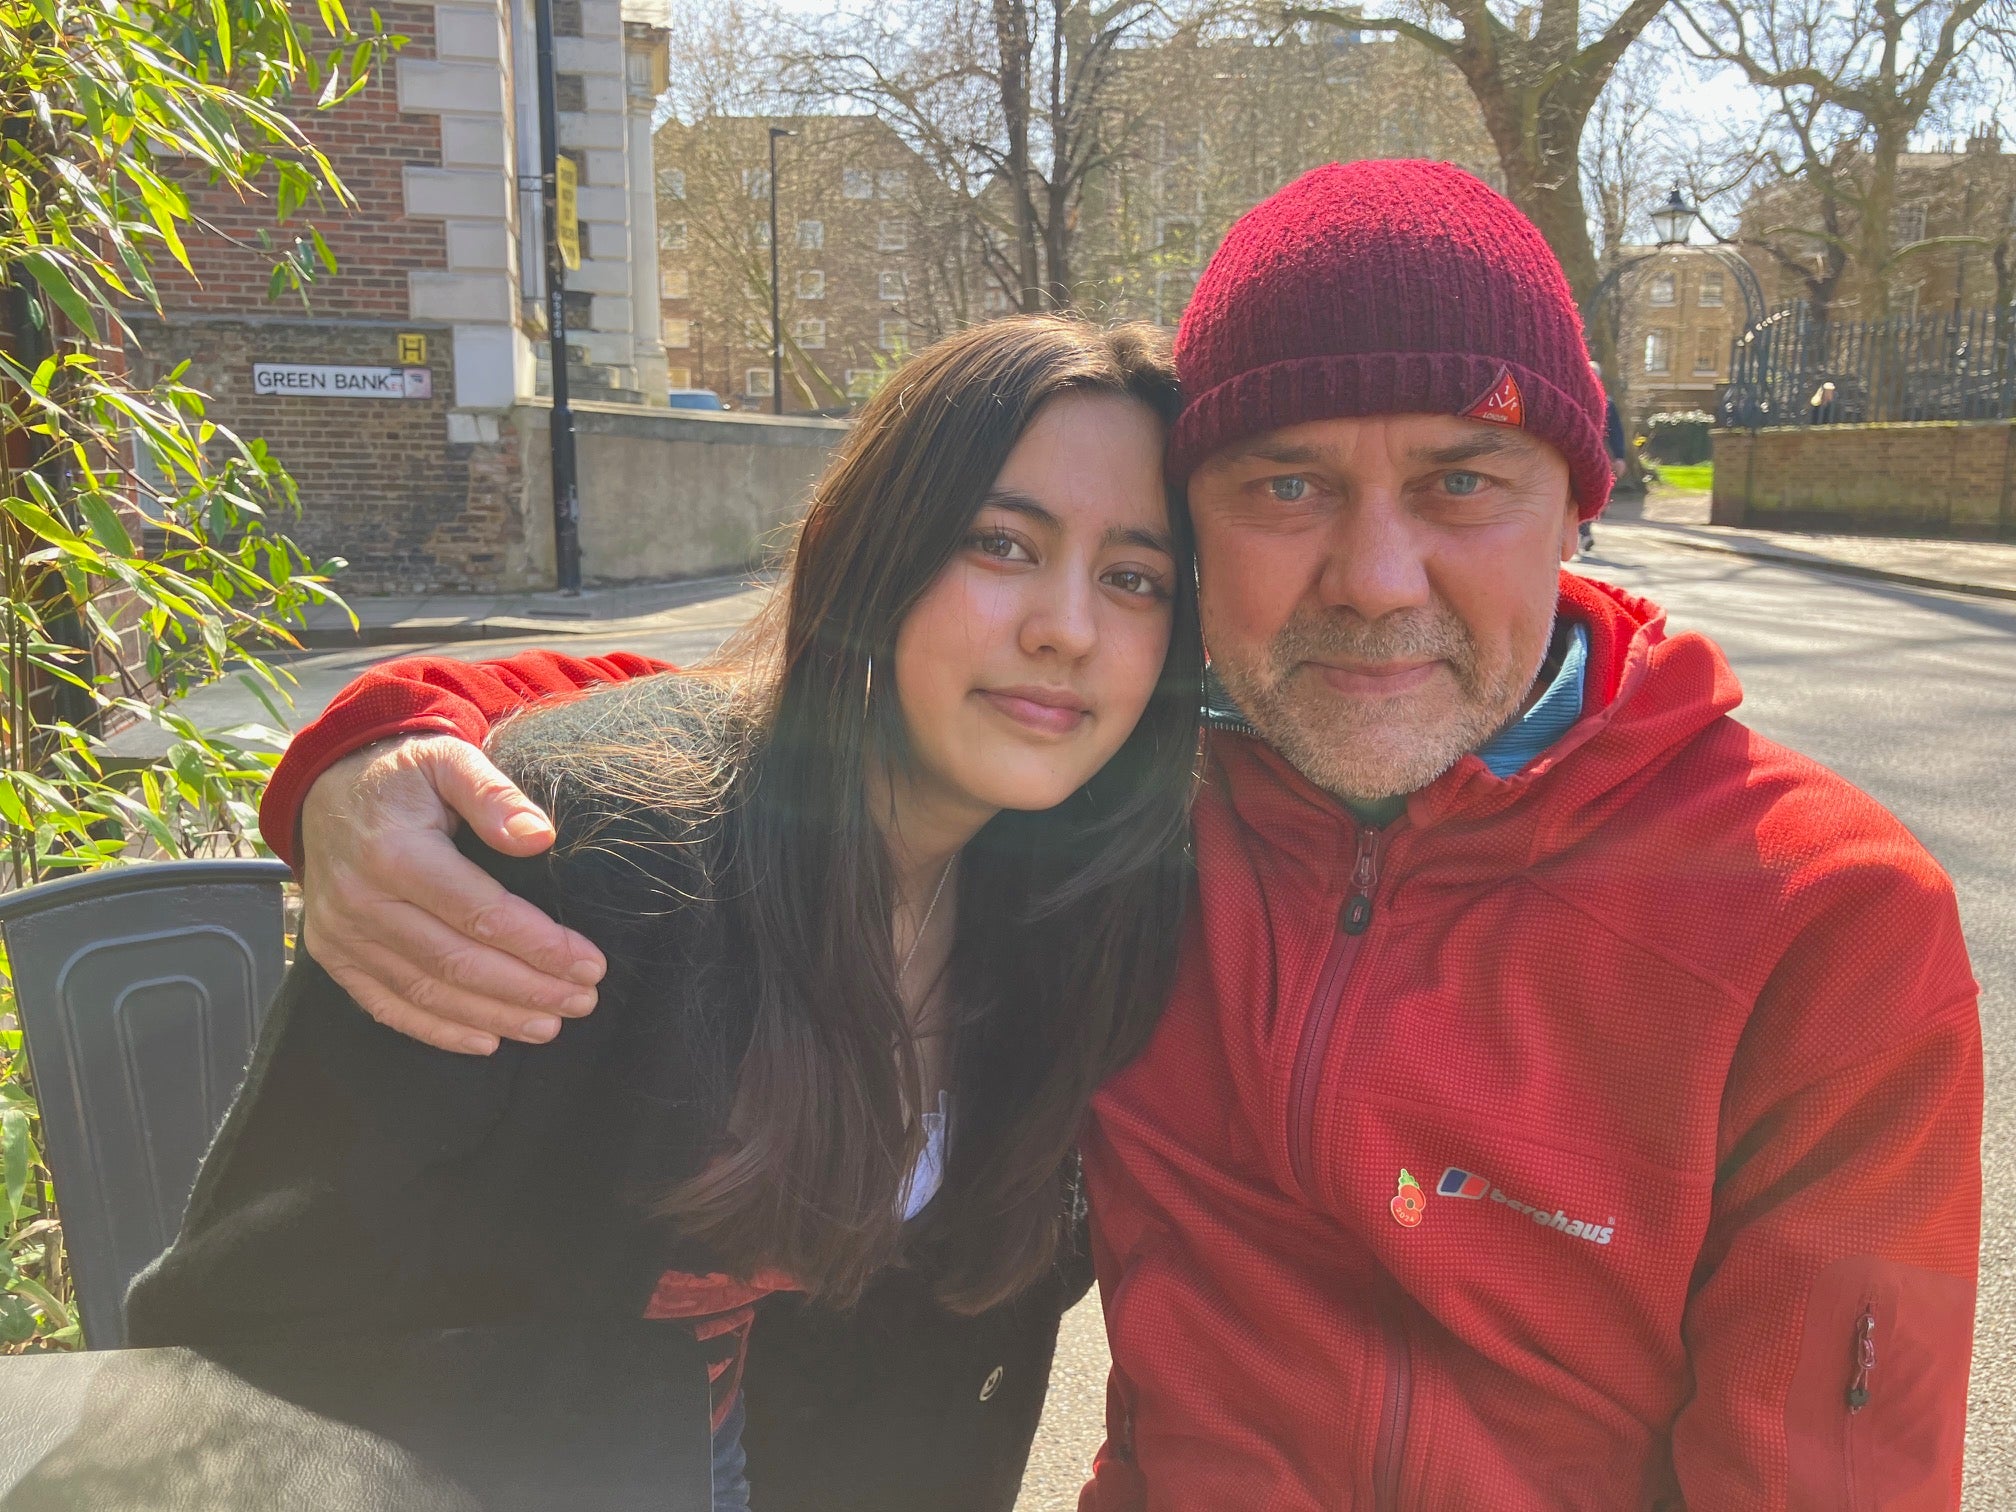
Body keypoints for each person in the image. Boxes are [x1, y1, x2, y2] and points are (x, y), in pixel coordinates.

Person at [250, 162, 1982, 1509]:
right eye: (1286, 487)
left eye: (1462, 479)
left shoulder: (1811, 923)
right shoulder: (1155, 790)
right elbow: (801, 690)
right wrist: (381, 740)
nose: (1375, 583)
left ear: (1577, 505)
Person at [124, 317, 1207, 1512]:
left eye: (1134, 577)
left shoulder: (1083, 911)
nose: (1069, 627)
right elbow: (235, 1355)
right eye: (1000, 543)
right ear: (873, 552)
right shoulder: (578, 865)